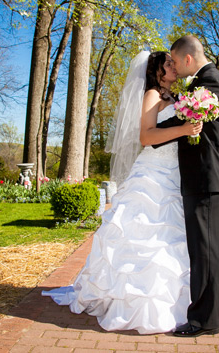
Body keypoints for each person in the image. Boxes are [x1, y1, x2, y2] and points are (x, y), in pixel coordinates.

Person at [41, 51, 202, 334]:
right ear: (156, 71)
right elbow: (146, 137)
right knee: (145, 233)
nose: (173, 66)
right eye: (167, 64)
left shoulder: (176, 98)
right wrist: (184, 129)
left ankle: (172, 301)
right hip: (153, 174)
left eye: (173, 62)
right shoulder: (152, 94)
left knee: (169, 237)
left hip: (174, 175)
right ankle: (132, 301)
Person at [156, 35, 219, 337]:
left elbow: (181, 121)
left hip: (207, 179)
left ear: (187, 59)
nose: (173, 66)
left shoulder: (209, 84)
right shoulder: (202, 84)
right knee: (202, 251)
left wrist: (150, 129)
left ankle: (204, 321)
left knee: (207, 253)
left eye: (174, 61)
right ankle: (204, 317)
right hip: (201, 180)